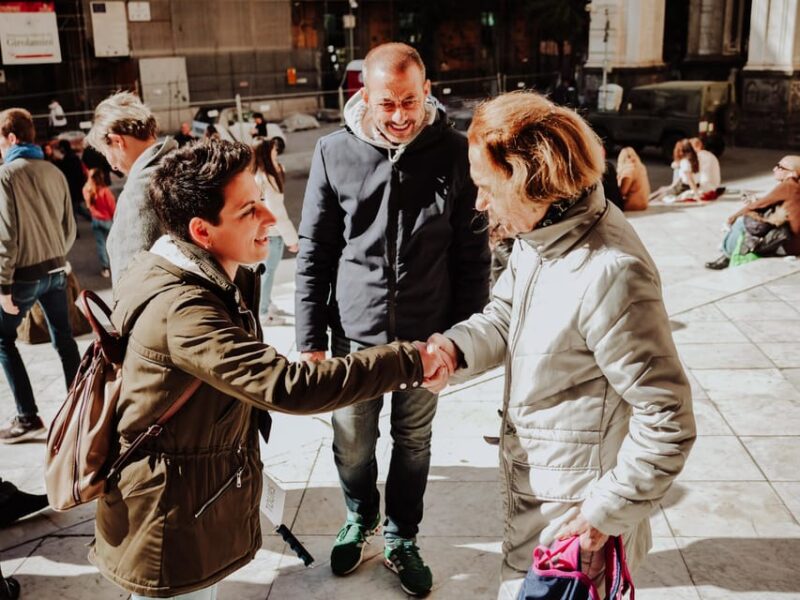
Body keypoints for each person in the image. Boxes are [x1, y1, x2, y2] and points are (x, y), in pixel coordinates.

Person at [91, 138, 447, 599]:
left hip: (189, 501)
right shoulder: (184, 310)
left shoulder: (190, 269)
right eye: (249, 210)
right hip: (167, 525)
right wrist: (408, 360)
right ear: (202, 231)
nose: (270, 217)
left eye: (261, 199)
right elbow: (288, 386)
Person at [424, 91, 696, 599]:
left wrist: (603, 514)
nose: (479, 203)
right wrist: (456, 350)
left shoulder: (610, 273)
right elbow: (505, 316)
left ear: (524, 179)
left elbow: (668, 419)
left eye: (486, 187)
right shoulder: (541, 236)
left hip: (576, 525)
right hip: (539, 499)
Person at [295, 42, 491, 595]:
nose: (400, 115)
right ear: (366, 96)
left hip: (427, 338)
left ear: (427, 91)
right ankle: (361, 518)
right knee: (353, 441)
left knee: (413, 440)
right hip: (353, 336)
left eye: (410, 101)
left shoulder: (456, 153)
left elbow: (473, 255)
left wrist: (462, 339)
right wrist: (310, 337)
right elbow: (315, 250)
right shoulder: (334, 152)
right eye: (387, 104)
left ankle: (402, 537)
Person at [0, 108, 81, 443]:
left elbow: (6, 235)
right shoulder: (53, 171)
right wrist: (56, 255)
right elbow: (69, 228)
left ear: (11, 138)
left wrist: (3, 284)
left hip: (24, 276)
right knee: (64, 340)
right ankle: (80, 410)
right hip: (57, 270)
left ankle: (28, 416)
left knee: (3, 339)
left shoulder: (6, 176)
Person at [86, 91, 178, 287]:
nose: (113, 166)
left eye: (107, 153)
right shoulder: (182, 166)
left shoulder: (138, 194)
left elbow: (129, 280)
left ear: (117, 141)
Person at [705, 155, 800, 269]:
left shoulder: (789, 185)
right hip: (794, 242)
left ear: (793, 173)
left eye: (780, 167)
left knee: (742, 222)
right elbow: (772, 203)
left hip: (788, 245)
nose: (774, 169)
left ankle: (726, 256)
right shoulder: (795, 186)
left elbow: (756, 206)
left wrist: (732, 218)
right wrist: (756, 202)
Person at [252, 137, 298, 326]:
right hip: (273, 234)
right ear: (266, 153)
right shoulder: (267, 178)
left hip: (264, 232)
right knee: (268, 272)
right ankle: (263, 312)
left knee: (266, 272)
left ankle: (266, 304)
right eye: (273, 150)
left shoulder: (257, 175)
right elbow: (277, 212)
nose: (276, 152)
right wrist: (292, 239)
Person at [82, 168, 117, 278]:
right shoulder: (105, 191)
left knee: (101, 244)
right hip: (107, 221)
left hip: (96, 221)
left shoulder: (87, 190)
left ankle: (105, 268)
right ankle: (115, 264)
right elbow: (112, 207)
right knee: (113, 243)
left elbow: (88, 206)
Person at [55, 139, 91, 221]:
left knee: (73, 210)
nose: (60, 150)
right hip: (76, 188)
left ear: (63, 147)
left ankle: (76, 226)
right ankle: (93, 218)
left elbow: (67, 172)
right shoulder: (73, 157)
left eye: (60, 148)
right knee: (77, 208)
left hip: (73, 188)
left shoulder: (69, 158)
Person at [616, 146, 651, 211]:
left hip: (633, 204)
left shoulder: (629, 170)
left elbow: (622, 192)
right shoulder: (641, 167)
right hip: (644, 203)